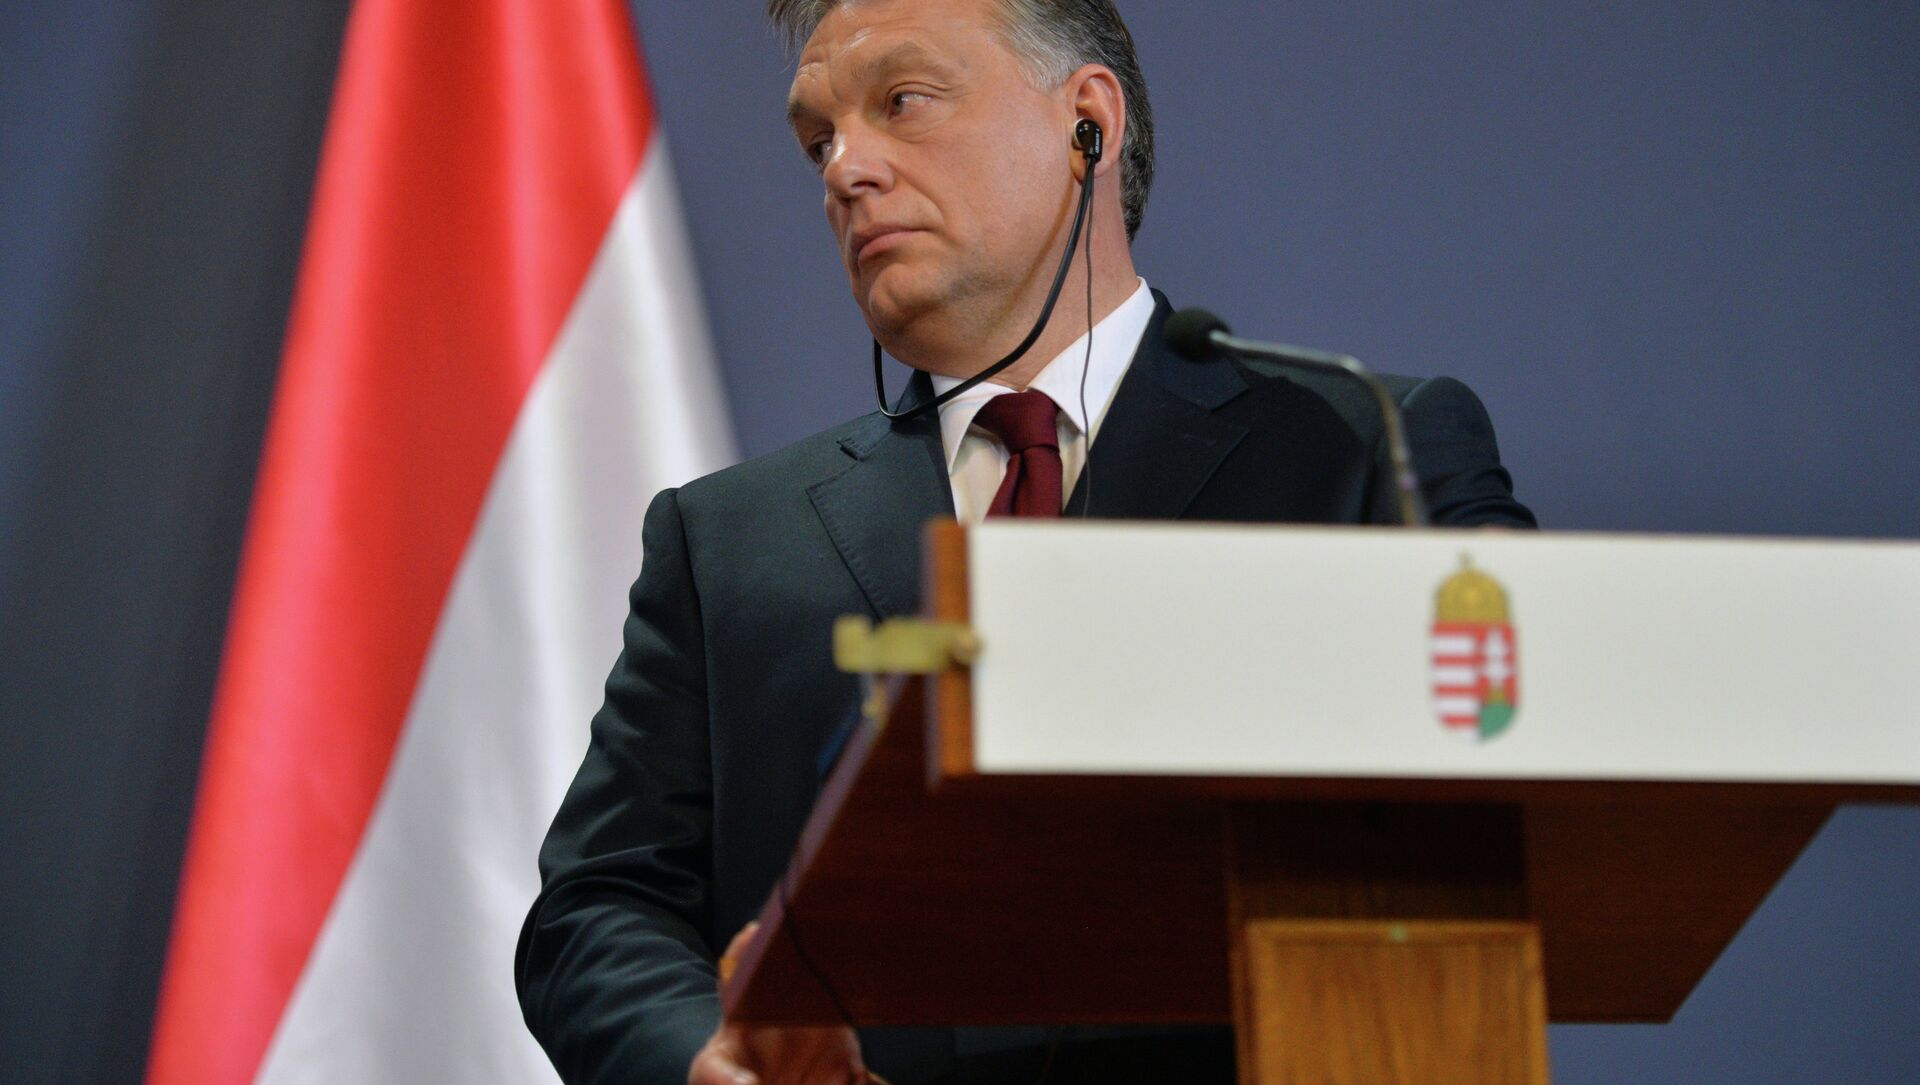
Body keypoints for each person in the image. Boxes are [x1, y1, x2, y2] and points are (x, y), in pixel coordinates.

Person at [515, 1, 1536, 1083]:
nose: (847, 171)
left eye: (903, 101)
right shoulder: (727, 543)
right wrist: (710, 1059)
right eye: (819, 141)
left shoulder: (1364, 446)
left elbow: (1523, 782)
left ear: (1087, 122)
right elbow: (598, 909)